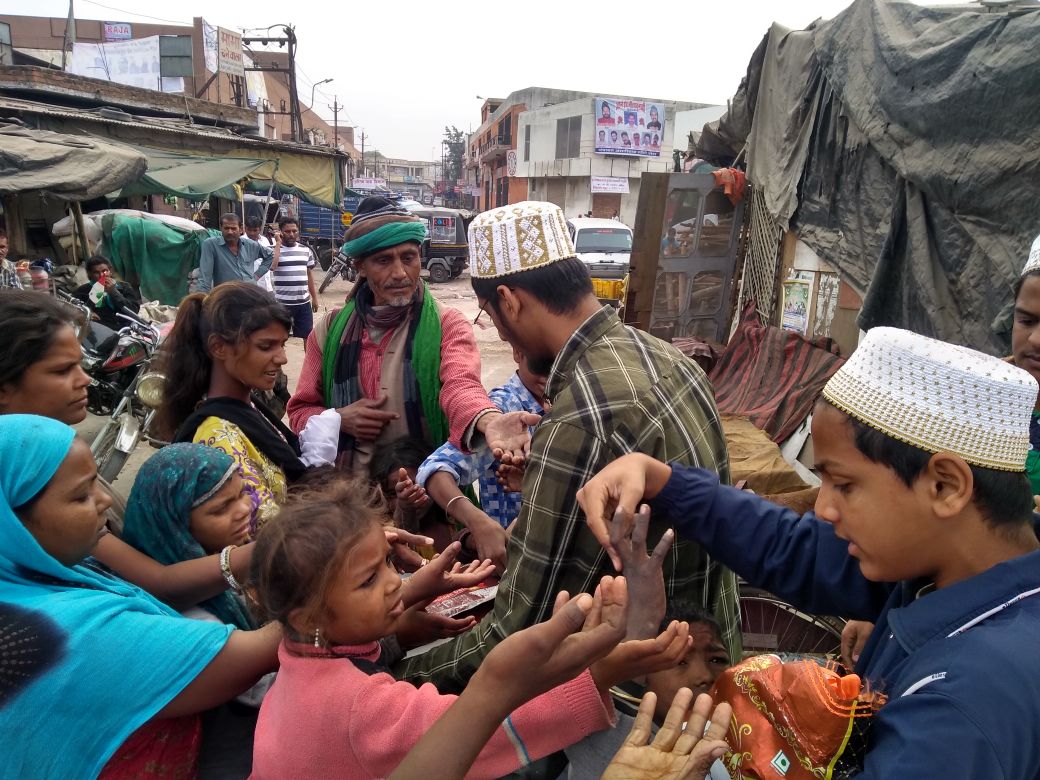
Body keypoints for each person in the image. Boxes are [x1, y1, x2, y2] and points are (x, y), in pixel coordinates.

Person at [579, 327, 1040, 778]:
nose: (823, 508)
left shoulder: (964, 704)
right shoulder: (943, 572)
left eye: (844, 484)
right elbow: (796, 548)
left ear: (945, 486)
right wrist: (664, 483)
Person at [397, 200, 740, 691]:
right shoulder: (669, 359)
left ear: (509, 301)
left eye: (491, 315)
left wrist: (394, 678)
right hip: (709, 660)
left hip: (644, 687)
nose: (500, 333)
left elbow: (518, 630)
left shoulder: (582, 414)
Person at [248, 477, 693, 779]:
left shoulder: (296, 660)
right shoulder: (361, 707)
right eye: (368, 580)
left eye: (386, 563)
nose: (394, 582)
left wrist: (401, 632)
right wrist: (596, 675)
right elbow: (475, 732)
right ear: (310, 617)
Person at [0, 414, 281, 778]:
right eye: (81, 495)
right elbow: (252, 656)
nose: (105, 499)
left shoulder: (47, 574)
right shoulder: (66, 633)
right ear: (11, 521)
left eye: (97, 482)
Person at [0, 289, 256, 609]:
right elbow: (159, 583)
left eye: (80, 365)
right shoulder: (32, 490)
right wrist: (266, 551)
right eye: (62, 370)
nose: (84, 380)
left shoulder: (57, 460)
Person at [286, 196, 535, 478]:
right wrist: (338, 419)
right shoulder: (329, 330)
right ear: (360, 267)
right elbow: (299, 413)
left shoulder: (446, 323)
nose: (399, 273)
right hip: (347, 493)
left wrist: (487, 419)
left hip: (426, 493)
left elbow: (461, 385)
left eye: (408, 258)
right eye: (383, 260)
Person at [156, 282, 305, 534]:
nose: (282, 358)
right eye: (266, 346)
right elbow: (267, 536)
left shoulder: (250, 406)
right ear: (219, 347)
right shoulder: (219, 440)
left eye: (282, 344)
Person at [566, 598, 732, 780]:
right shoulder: (607, 732)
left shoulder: (743, 736)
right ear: (642, 672)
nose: (705, 676)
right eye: (680, 661)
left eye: (717, 660)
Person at [415, 346, 547, 570]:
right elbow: (434, 469)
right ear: (518, 353)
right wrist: (477, 521)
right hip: (510, 563)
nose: (550, 375)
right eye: (541, 364)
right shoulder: (505, 409)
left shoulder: (567, 401)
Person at [198, 212, 281, 292]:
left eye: (233, 228)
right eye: (226, 228)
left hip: (250, 293)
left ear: (240, 229)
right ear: (221, 228)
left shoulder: (250, 245)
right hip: (225, 296)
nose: (230, 232)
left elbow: (270, 255)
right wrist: (203, 297)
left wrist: (256, 276)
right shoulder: (211, 244)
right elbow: (205, 277)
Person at [270, 217, 319, 341]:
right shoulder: (274, 250)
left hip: (303, 304)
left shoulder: (306, 250)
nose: (291, 234)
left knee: (308, 337)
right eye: (287, 231)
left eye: (294, 231)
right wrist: (278, 243)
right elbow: (272, 266)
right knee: (280, 337)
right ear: (281, 232)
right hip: (282, 304)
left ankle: (308, 356)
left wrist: (314, 298)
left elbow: (309, 275)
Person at [72, 255, 142, 331]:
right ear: (90, 275)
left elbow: (134, 310)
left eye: (104, 271)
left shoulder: (124, 286)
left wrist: (114, 292)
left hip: (127, 329)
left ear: (110, 271)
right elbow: (75, 313)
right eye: (96, 272)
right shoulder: (83, 291)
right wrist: (88, 312)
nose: (102, 275)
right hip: (102, 332)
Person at [245, 216, 274, 293]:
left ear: (260, 229)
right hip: (250, 287)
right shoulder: (241, 242)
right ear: (245, 228)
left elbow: (269, 259)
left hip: (266, 286)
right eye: (249, 230)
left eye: (255, 230)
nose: (252, 233)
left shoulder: (264, 240)